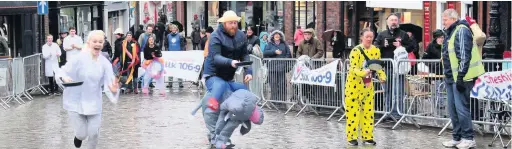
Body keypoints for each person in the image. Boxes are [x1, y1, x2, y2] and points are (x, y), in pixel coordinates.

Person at [54, 30, 120, 149]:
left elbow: (111, 81)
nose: (98, 44)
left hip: (94, 102)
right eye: (95, 41)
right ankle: (78, 137)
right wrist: (64, 77)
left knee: (94, 134)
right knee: (82, 133)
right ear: (89, 43)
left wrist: (114, 89)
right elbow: (62, 71)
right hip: (75, 101)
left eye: (100, 41)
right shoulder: (79, 58)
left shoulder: (105, 63)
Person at [441, 9, 485, 149]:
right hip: (450, 76)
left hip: (461, 77)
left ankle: (468, 137)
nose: (443, 22)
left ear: (453, 19)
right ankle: (457, 137)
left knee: (461, 109)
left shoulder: (461, 30)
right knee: (453, 109)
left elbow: (464, 55)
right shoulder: (450, 32)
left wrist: (460, 76)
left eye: (445, 19)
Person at [202, 10, 253, 112]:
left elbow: (244, 54)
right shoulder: (215, 36)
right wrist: (230, 62)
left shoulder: (241, 35)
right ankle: (212, 105)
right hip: (213, 74)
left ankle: (249, 113)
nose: (233, 25)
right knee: (220, 85)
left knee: (243, 89)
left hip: (228, 77)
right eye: (230, 23)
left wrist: (248, 72)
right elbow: (216, 57)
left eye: (235, 23)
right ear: (224, 23)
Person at [345, 28, 386, 146]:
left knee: (368, 112)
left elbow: (378, 66)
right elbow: (352, 68)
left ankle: (367, 137)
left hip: (368, 86)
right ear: (362, 37)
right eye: (367, 37)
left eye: (371, 37)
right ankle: (351, 137)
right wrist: (363, 72)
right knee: (353, 113)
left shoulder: (376, 50)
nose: (369, 39)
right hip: (354, 86)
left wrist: (382, 76)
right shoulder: (355, 51)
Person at [373, 13, 415, 119]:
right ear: (388, 22)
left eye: (395, 20)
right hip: (387, 66)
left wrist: (401, 46)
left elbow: (411, 46)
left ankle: (398, 113)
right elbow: (375, 47)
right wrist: (383, 45)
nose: (394, 22)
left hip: (399, 67)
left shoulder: (403, 34)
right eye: (392, 20)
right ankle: (388, 112)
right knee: (388, 91)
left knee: (398, 91)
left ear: (398, 22)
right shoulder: (382, 34)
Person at [263, 30, 291, 102]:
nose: (277, 36)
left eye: (278, 35)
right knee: (273, 84)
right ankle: (274, 101)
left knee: (282, 85)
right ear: (272, 36)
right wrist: (274, 52)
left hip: (282, 68)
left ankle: (282, 100)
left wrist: (284, 60)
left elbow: (288, 54)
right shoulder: (269, 44)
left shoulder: (284, 44)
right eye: (275, 35)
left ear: (280, 36)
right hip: (272, 68)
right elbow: (265, 53)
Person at [164, 24, 185, 88]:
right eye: (172, 28)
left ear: (176, 29)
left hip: (178, 54)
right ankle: (170, 83)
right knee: (171, 69)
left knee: (179, 68)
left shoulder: (180, 36)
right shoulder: (168, 36)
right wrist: (167, 50)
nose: (173, 29)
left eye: (174, 28)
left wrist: (182, 51)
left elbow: (183, 44)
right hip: (171, 54)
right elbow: (166, 44)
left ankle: (180, 83)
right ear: (170, 29)